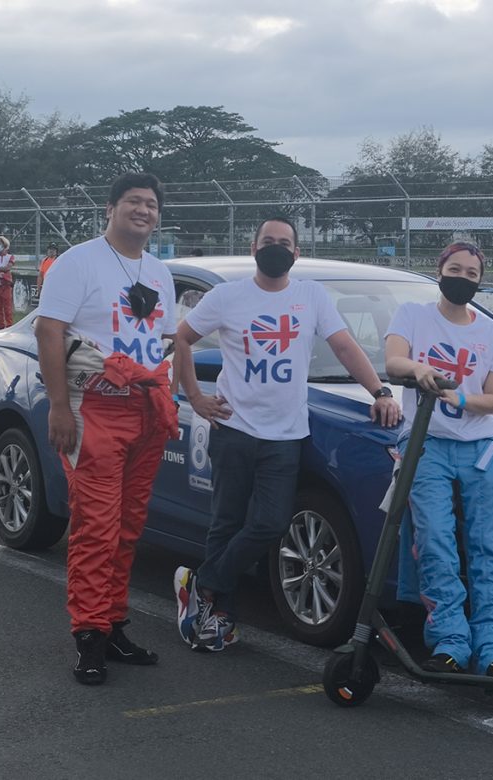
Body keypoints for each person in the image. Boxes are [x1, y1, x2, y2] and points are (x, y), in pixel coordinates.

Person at [173, 217, 402, 652]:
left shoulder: (310, 296)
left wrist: (381, 390)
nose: (275, 248)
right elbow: (182, 340)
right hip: (233, 428)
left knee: (270, 523)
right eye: (268, 241)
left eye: (284, 243)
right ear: (253, 246)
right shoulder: (227, 296)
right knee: (226, 523)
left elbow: (344, 347)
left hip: (285, 435)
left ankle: (201, 582)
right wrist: (195, 399)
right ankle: (219, 617)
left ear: (296, 253)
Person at [35, 172, 179, 686]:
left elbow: (162, 342)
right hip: (92, 407)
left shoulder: (160, 272)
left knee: (127, 526)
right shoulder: (79, 261)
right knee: (96, 526)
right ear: (111, 207)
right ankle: (89, 635)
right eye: (134, 202)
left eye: (152, 204)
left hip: (143, 411)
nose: (144, 210)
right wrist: (58, 407)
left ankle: (114, 624)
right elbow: (48, 330)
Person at [383, 242, 493, 678]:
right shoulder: (413, 315)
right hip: (427, 444)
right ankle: (450, 642)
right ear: (439, 270)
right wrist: (417, 369)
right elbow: (393, 360)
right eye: (454, 269)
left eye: (472, 273)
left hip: (482, 448)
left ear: (480, 280)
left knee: (491, 548)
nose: (462, 277)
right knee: (436, 542)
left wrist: (460, 396)